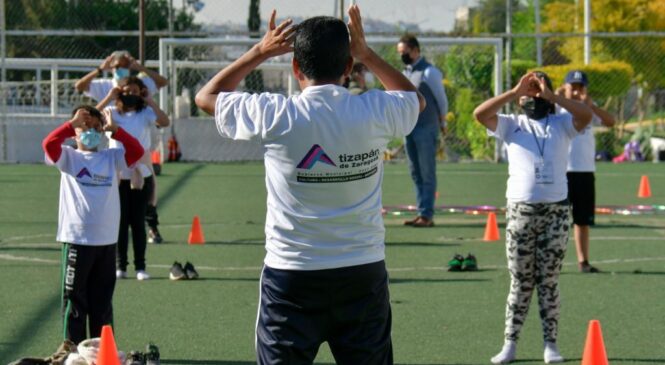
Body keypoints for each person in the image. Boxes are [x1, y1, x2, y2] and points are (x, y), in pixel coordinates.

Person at [195, 5, 424, 364]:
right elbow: (415, 100)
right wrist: (366, 54)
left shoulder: (277, 114)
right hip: (362, 273)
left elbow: (206, 97)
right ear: (349, 67)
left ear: (295, 67)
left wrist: (259, 51)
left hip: (291, 277)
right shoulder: (373, 111)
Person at [473, 71, 592, 364]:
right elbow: (480, 114)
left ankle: (550, 344)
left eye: (538, 89)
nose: (533, 96)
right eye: (530, 91)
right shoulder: (512, 125)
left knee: (548, 280)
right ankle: (510, 344)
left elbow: (586, 115)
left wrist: (551, 95)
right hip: (521, 212)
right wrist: (515, 92)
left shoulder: (562, 123)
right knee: (520, 281)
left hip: (555, 213)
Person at [42, 106, 144, 344]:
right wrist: (70, 125)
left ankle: (100, 349)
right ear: (75, 132)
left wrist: (116, 130)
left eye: (96, 128)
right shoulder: (68, 156)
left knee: (102, 300)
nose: (91, 132)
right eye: (85, 127)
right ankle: (73, 348)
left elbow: (136, 151)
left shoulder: (111, 157)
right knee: (75, 299)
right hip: (78, 239)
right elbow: (48, 144)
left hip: (106, 240)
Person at [75, 50, 168, 244]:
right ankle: (113, 233)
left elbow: (163, 97)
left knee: (148, 194)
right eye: (117, 66)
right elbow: (89, 107)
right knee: (118, 199)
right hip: (117, 158)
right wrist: (107, 89)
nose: (121, 70)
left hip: (140, 156)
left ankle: (152, 226)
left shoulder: (143, 108)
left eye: (126, 66)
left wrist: (142, 75)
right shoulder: (110, 102)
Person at [96, 76, 170, 281]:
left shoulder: (145, 113)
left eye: (135, 92)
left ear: (141, 93)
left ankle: (140, 267)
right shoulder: (111, 112)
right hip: (118, 174)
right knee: (119, 222)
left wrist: (150, 101)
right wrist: (108, 97)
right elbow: (91, 117)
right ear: (120, 92)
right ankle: (121, 266)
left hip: (140, 172)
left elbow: (164, 121)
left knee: (137, 222)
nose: (130, 95)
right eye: (126, 91)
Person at [558, 70, 616, 273]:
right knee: (556, 219)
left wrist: (591, 106)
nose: (576, 92)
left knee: (582, 220)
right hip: (561, 171)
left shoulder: (589, 112)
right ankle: (550, 260)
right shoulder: (557, 110)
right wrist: (558, 97)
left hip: (584, 171)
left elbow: (611, 122)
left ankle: (584, 261)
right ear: (564, 87)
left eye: (580, 87)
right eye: (572, 87)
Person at [397, 34, 448, 227]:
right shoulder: (406, 71)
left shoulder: (429, 72)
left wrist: (443, 123)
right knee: (415, 172)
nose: (402, 56)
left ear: (416, 50)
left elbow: (442, 100)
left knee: (427, 172)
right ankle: (421, 212)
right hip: (408, 128)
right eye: (400, 53)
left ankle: (427, 215)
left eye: (405, 52)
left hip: (426, 128)